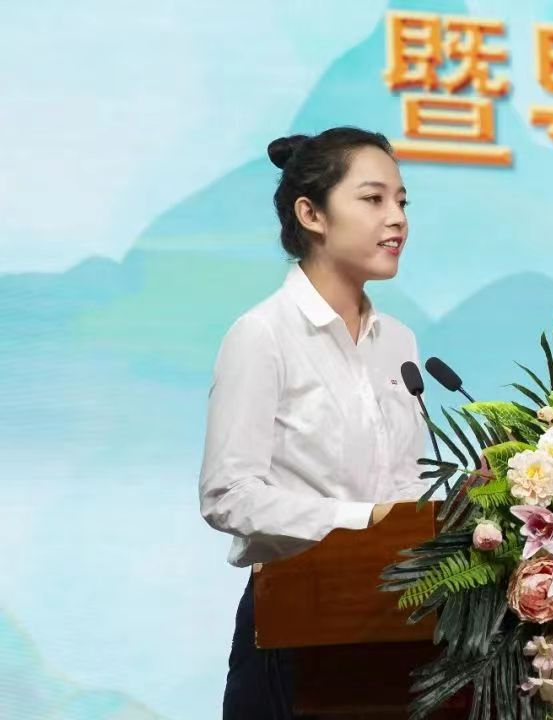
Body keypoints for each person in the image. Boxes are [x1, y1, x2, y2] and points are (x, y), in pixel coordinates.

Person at [197, 126, 430, 719]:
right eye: (373, 199)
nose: (397, 218)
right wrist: (362, 520)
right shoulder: (262, 335)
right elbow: (228, 495)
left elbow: (410, 482)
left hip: (395, 625)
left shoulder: (398, 341)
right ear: (312, 214)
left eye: (402, 201)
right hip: (292, 624)